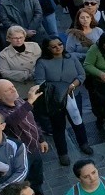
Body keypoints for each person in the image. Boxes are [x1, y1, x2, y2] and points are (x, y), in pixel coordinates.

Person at [34, 37, 91, 165]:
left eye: (60, 44)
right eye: (54, 46)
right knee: (58, 127)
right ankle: (63, 154)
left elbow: (81, 75)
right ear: (47, 49)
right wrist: (60, 88)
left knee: (78, 121)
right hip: (56, 100)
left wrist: (72, 86)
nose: (58, 47)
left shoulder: (71, 57)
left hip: (73, 95)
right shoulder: (42, 63)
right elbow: (40, 82)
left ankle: (84, 144)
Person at [0, 26, 42, 99]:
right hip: (21, 88)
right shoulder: (3, 55)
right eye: (15, 38)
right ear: (9, 39)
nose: (19, 40)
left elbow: (42, 62)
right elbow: (4, 72)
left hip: (37, 84)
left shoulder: (34, 46)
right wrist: (26, 74)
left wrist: (37, 73)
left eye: (21, 37)